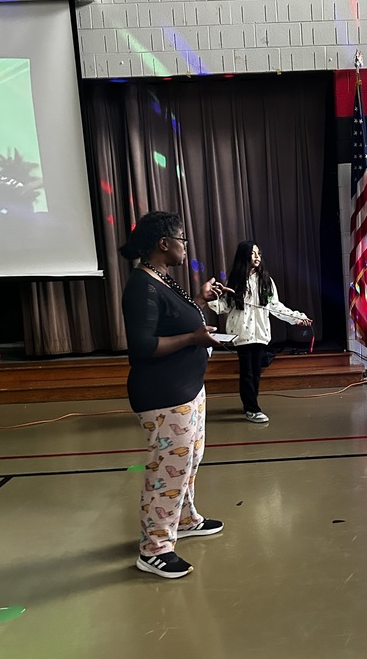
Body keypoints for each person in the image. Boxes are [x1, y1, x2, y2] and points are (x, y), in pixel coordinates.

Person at [120, 211, 229, 580]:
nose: (186, 247)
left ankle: (183, 518)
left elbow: (177, 319)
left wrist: (199, 299)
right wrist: (194, 338)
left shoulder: (162, 280)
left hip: (188, 389)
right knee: (167, 470)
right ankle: (154, 548)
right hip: (163, 395)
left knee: (188, 460)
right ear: (163, 243)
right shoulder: (142, 286)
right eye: (182, 239)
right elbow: (141, 347)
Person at [208, 240, 312, 423]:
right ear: (244, 256)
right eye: (253, 253)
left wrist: (298, 318)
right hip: (242, 335)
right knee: (247, 372)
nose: (257, 257)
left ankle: (250, 404)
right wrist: (212, 296)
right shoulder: (234, 281)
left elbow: (276, 306)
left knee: (256, 372)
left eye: (259, 254)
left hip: (261, 334)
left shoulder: (266, 281)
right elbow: (223, 306)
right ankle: (252, 408)